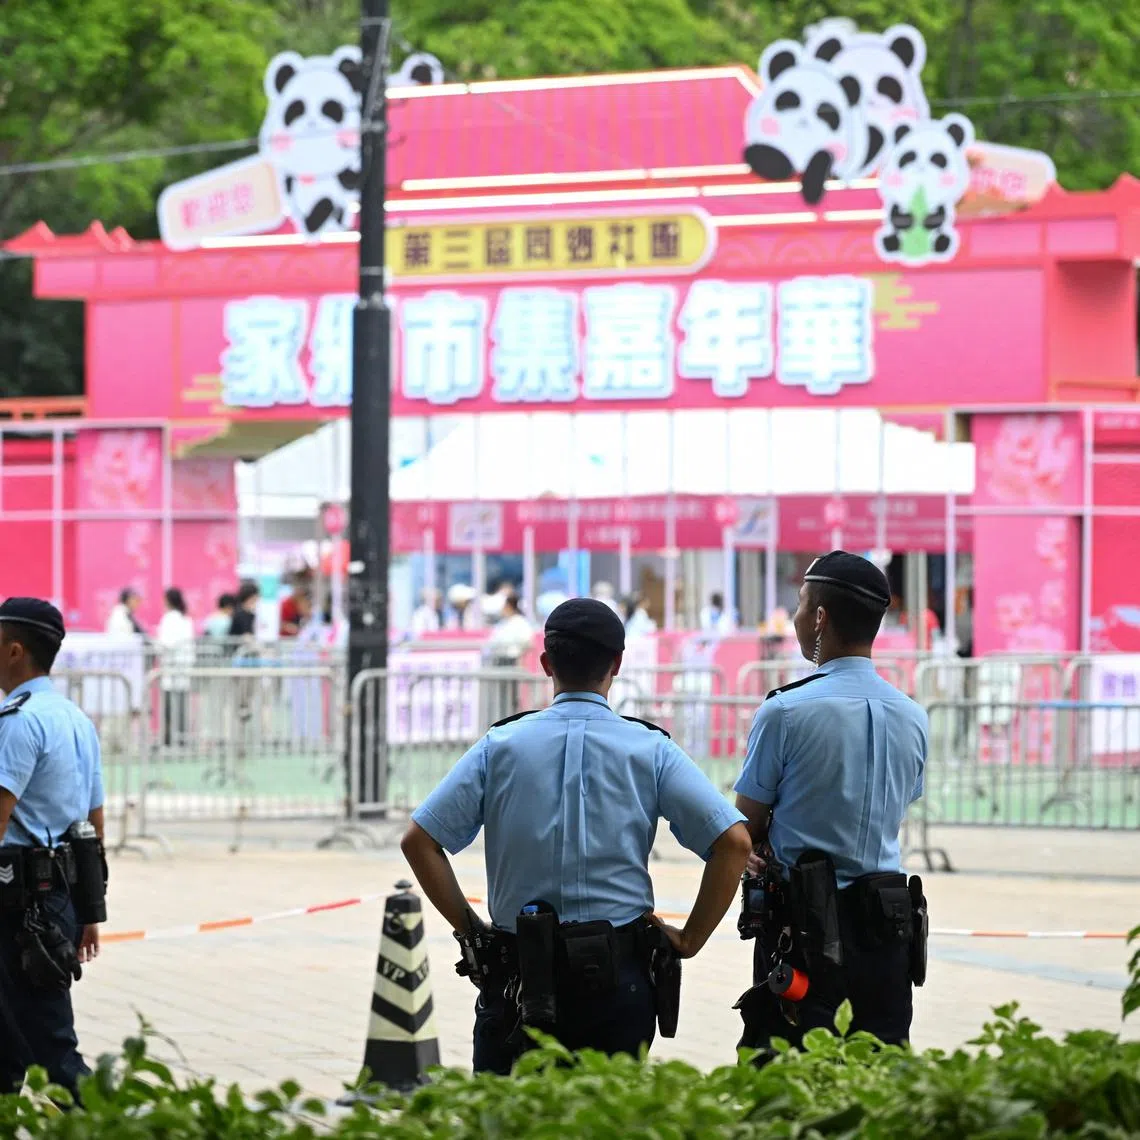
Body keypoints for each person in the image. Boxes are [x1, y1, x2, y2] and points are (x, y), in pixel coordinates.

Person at [401, 598, 752, 1075]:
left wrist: (472, 932)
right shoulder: (649, 749)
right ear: (617, 665)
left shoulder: (500, 746)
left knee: (507, 1120)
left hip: (517, 972)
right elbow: (733, 843)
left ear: (546, 663)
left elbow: (419, 841)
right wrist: (690, 938)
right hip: (616, 978)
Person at [732, 552, 928, 1058]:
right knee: (878, 1075)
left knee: (784, 1076)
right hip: (887, 932)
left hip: (805, 934)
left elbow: (746, 823)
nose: (796, 616)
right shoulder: (912, 716)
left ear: (819, 617)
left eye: (800, 604)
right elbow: (896, 803)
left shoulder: (785, 711)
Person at [0, 598, 106, 1101]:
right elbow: (94, 824)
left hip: (18, 910)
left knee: (52, 1047)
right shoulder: (75, 719)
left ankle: (120, 1127)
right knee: (6, 1049)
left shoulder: (17, 722)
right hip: (56, 900)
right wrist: (88, 909)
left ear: (15, 650)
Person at [155, 588, 195, 748]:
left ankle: (170, 738)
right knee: (181, 705)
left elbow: (165, 643)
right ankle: (181, 737)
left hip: (171, 668)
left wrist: (155, 645)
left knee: (170, 706)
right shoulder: (186, 619)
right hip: (183, 668)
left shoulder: (169, 619)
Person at [486, 594, 533, 668]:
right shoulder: (502, 623)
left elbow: (526, 640)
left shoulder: (521, 622)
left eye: (505, 606)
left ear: (509, 606)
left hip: (513, 659)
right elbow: (493, 640)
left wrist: (514, 649)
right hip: (499, 658)